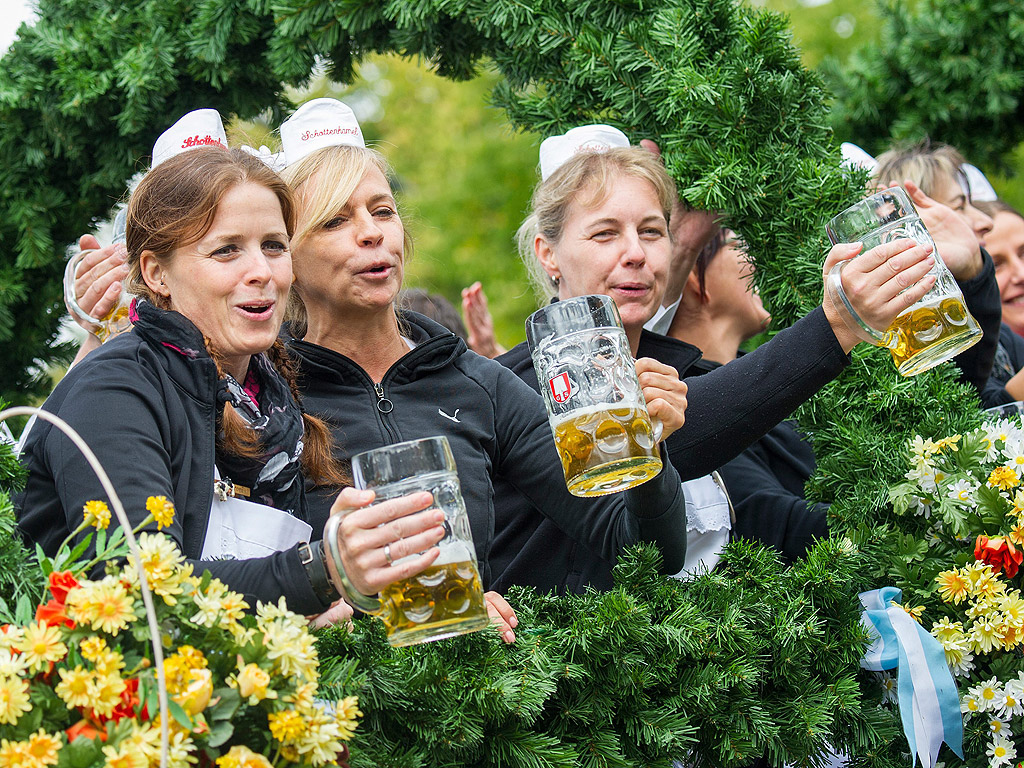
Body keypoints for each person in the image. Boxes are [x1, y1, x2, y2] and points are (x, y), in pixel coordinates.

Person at [266, 99, 690, 622]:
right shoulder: (261, 394)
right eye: (334, 220)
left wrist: (649, 457)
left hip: (478, 693)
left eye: (383, 211)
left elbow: (645, 554)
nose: (372, 232)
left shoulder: (479, 385)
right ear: (285, 253)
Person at [489, 133, 940, 593]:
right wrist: (836, 325)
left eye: (651, 231)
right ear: (549, 254)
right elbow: (670, 436)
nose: (636, 254)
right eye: (605, 233)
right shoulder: (508, 389)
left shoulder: (692, 371)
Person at [17, 146, 354, 621]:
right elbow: (141, 591)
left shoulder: (273, 400)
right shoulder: (113, 390)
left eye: (274, 246)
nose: (262, 272)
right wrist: (322, 572)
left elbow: (282, 590)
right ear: (157, 274)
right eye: (226, 249)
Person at [872, 140, 1010, 407]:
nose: (987, 221)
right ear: (903, 224)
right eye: (960, 206)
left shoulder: (1002, 338)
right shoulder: (896, 343)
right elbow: (955, 404)